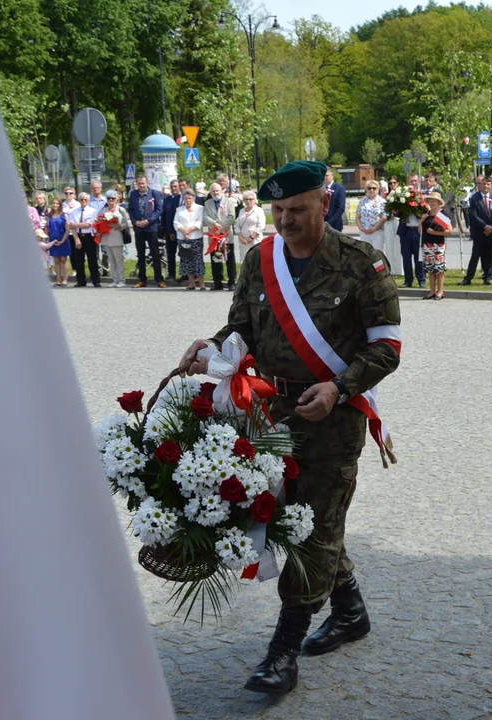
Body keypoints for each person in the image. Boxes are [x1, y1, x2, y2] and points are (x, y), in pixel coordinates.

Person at [178, 160, 400, 696]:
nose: (286, 220)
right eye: (277, 210)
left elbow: (386, 348)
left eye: (297, 209)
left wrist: (339, 388)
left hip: (332, 420)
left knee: (316, 523)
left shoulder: (363, 265)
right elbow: (241, 328)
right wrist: (211, 347)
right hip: (272, 414)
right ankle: (349, 611)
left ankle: (283, 651)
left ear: (325, 203)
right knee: (292, 514)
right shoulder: (260, 259)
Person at [127, 173, 165, 289]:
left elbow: (159, 210)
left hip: (151, 228)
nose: (141, 185)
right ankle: (142, 279)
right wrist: (135, 222)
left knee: (155, 254)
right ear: (136, 184)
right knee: (141, 254)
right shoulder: (133, 194)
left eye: (143, 183)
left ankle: (159, 279)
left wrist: (149, 221)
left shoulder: (155, 194)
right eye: (139, 184)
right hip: (138, 228)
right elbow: (130, 209)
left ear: (147, 183)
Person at [462, 176, 492, 286]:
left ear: (491, 185)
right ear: (481, 184)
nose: (485, 186)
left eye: (488, 184)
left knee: (489, 255)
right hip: (479, 232)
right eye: (483, 184)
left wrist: (491, 227)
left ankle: (487, 276)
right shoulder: (475, 197)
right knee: (475, 255)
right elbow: (473, 215)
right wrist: (485, 226)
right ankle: (468, 278)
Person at [204, 183, 238, 290]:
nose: (215, 193)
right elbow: (205, 216)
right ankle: (217, 282)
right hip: (214, 236)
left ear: (221, 191)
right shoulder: (207, 203)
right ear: (210, 192)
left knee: (230, 259)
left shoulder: (229, 201)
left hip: (226, 236)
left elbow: (232, 216)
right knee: (216, 259)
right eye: (213, 191)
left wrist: (222, 227)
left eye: (217, 190)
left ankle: (231, 282)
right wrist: (215, 225)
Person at [396, 173, 426, 288]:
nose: (413, 183)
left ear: (418, 182)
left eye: (415, 181)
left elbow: (426, 211)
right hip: (405, 230)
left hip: (417, 230)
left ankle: (421, 279)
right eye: (411, 181)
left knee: (419, 257)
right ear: (408, 182)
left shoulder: (422, 195)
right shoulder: (402, 195)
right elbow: (398, 212)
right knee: (406, 257)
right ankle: (408, 280)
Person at [97, 190, 130, 288]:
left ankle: (121, 279)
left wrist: (118, 225)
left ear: (117, 199)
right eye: (108, 198)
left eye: (113, 198)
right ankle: (114, 279)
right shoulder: (104, 210)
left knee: (119, 259)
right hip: (106, 237)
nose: (111, 200)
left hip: (117, 236)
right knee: (111, 259)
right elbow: (99, 221)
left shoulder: (121, 210)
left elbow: (126, 224)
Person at [67, 192, 100, 287]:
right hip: (77, 236)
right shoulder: (74, 212)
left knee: (92, 259)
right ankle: (81, 281)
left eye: (85, 200)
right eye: (81, 199)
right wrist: (76, 239)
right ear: (79, 200)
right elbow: (71, 227)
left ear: (88, 201)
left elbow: (88, 225)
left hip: (89, 236)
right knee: (78, 260)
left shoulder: (92, 211)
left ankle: (95, 280)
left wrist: (75, 224)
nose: (83, 201)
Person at [174, 189, 205, 290]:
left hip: (196, 237)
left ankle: (202, 284)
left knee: (198, 260)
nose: (188, 200)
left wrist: (189, 230)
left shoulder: (199, 208)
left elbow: (199, 222)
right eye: (186, 198)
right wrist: (184, 231)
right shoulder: (179, 209)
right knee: (186, 260)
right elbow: (176, 223)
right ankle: (191, 284)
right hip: (182, 238)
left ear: (194, 198)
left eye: (190, 198)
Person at [420, 191, 449, 299]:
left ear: (438, 202)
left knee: (439, 269)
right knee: (431, 269)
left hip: (438, 244)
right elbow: (420, 230)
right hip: (427, 244)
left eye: (434, 200)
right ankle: (432, 291)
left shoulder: (442, 215)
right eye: (430, 200)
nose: (432, 202)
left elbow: (449, 230)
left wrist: (435, 232)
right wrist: (421, 220)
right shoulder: (427, 214)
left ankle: (440, 291)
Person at [234, 190, 267, 263]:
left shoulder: (259, 210)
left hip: (255, 240)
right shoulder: (241, 211)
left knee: (256, 260)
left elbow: (261, 226)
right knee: (245, 260)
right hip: (243, 241)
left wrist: (251, 238)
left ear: (255, 200)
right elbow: (237, 225)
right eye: (246, 199)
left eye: (250, 199)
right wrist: (241, 237)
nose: (248, 201)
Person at [356, 181, 387, 252]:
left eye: (374, 188)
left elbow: (384, 217)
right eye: (369, 188)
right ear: (366, 189)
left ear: (378, 189)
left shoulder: (382, 201)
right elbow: (358, 216)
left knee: (377, 255)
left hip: (377, 232)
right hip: (364, 233)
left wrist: (374, 229)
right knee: (365, 255)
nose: (371, 190)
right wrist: (360, 228)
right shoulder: (362, 200)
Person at [46, 200, 71, 287]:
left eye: (57, 203)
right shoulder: (49, 216)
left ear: (60, 205)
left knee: (63, 259)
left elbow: (68, 229)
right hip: (53, 240)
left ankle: (65, 280)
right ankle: (58, 280)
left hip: (63, 239)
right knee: (56, 260)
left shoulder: (64, 215)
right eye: (53, 203)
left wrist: (63, 240)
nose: (55, 205)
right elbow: (47, 229)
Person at [161, 179, 182, 284]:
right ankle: (171, 274)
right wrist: (168, 231)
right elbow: (164, 216)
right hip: (170, 232)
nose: (174, 188)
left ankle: (185, 274)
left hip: (181, 231)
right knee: (170, 253)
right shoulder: (167, 199)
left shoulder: (182, 198)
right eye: (172, 186)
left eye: (176, 186)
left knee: (183, 253)